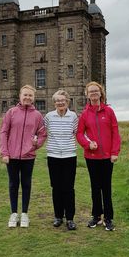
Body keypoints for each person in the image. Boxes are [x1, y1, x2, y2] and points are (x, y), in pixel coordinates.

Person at [0, 85, 46, 228]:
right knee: (13, 184)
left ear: (34, 98)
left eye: (30, 95)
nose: (27, 97)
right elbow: (3, 133)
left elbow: (43, 133)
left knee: (26, 184)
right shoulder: (11, 112)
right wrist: (4, 153)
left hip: (28, 156)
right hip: (11, 156)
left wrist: (36, 144)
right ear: (20, 96)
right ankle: (14, 214)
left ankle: (24, 214)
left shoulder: (37, 115)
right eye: (25, 95)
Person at [76, 81, 121, 231]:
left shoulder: (109, 111)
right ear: (87, 95)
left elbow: (115, 133)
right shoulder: (84, 114)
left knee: (106, 187)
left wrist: (115, 152)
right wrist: (87, 145)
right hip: (92, 157)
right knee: (95, 187)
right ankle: (96, 216)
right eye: (91, 92)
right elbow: (79, 134)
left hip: (108, 157)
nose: (94, 94)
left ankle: (108, 218)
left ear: (101, 93)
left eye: (96, 91)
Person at [44, 90, 78, 230]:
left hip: (69, 156)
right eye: (57, 100)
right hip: (53, 156)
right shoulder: (48, 117)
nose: (60, 102)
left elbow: (77, 133)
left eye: (62, 100)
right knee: (56, 187)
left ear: (67, 101)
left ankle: (70, 218)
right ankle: (58, 216)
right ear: (54, 102)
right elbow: (42, 132)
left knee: (68, 188)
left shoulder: (73, 116)